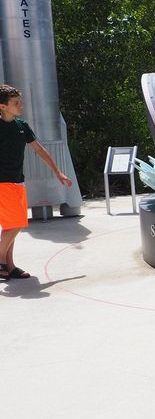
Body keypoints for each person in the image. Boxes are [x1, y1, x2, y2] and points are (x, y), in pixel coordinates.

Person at [0, 84, 72, 279]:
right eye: (15, 103)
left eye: (19, 101)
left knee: (10, 225)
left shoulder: (22, 126)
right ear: (2, 106)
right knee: (17, 223)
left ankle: (9, 266)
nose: (20, 105)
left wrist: (58, 172)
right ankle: (0, 261)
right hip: (2, 182)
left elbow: (39, 150)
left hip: (17, 181)